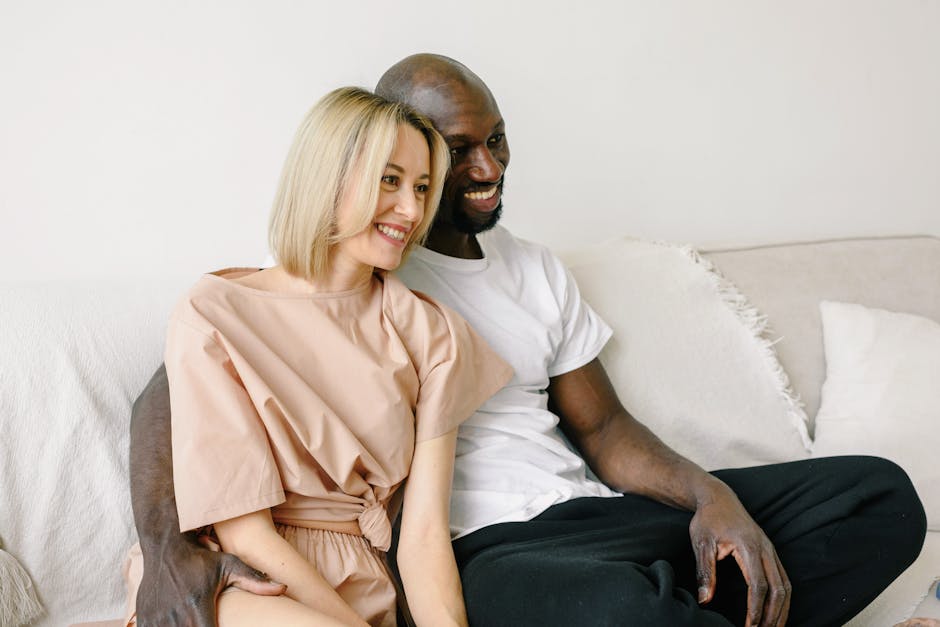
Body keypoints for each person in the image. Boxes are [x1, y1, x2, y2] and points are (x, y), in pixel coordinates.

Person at [129, 56, 927, 627]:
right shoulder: (341, 275)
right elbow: (173, 398)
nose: (483, 168)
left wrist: (711, 496)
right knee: (619, 608)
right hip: (492, 548)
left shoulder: (513, 281)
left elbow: (605, 429)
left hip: (597, 518)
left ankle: (675, 605)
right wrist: (166, 544)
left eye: (496, 141)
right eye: (448, 153)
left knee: (881, 497)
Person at [126, 86, 511, 626]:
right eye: (390, 180)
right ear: (327, 179)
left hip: (363, 578)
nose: (411, 208)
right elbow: (245, 531)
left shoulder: (432, 332)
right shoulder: (215, 312)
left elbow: (423, 539)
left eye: (422, 187)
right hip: (238, 579)